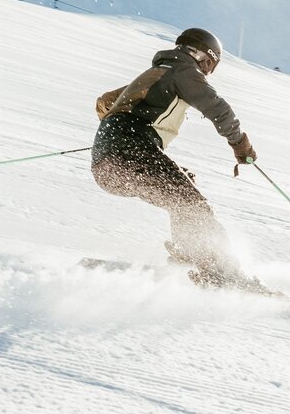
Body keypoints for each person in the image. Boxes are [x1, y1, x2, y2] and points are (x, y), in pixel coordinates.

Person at [91, 27, 269, 292]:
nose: (208, 73)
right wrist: (240, 144)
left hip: (105, 165)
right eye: (211, 65)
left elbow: (104, 102)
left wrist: (115, 133)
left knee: (182, 189)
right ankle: (224, 274)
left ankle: (190, 252)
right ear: (206, 58)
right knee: (194, 206)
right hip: (130, 150)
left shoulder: (156, 73)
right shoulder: (184, 71)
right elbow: (217, 108)